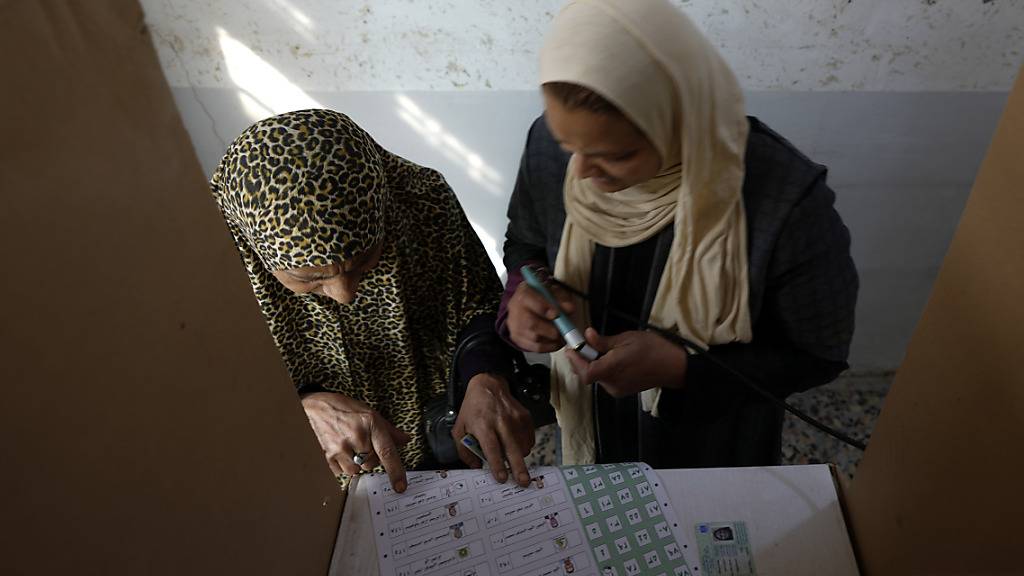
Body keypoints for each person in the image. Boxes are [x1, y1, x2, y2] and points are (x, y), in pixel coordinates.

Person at [499, 0, 858, 467]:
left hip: (714, 429)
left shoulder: (782, 199)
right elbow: (524, 242)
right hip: (596, 420)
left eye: (618, 154)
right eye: (570, 146)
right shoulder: (551, 149)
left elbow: (818, 354)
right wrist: (527, 295)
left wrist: (680, 367)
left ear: (680, 121)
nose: (582, 173)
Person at [210, 109, 535, 491]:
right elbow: (209, 382)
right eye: (309, 278)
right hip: (308, 475)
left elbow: (478, 303)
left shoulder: (421, 201)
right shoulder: (211, 254)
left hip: (442, 442)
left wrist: (485, 375)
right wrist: (300, 407)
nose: (344, 294)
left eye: (364, 263)